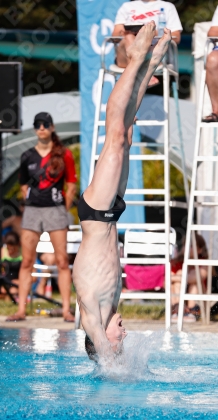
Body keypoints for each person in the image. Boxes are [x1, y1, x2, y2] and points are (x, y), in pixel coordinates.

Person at [72, 22, 172, 360]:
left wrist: (107, 354)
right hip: (111, 213)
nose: (124, 331)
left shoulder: (91, 319)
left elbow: (101, 351)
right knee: (126, 135)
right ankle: (149, 64)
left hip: (96, 213)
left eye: (120, 338)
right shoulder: (112, 304)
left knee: (114, 136)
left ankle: (134, 60)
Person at [6, 112, 77, 322]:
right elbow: (23, 184)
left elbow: (71, 184)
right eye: (38, 124)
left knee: (62, 261)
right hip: (33, 210)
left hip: (55, 209)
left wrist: (63, 207)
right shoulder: (27, 156)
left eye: (46, 124)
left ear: (52, 127)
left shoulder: (63, 154)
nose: (42, 127)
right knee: (27, 260)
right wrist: (31, 201)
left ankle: (66, 310)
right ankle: (21, 310)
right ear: (35, 129)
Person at [112, 0, 182, 86]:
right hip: (125, 55)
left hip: (153, 55)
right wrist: (130, 33)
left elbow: (176, 37)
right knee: (129, 37)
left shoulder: (167, 6)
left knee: (144, 36)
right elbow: (115, 36)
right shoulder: (126, 6)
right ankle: (141, 75)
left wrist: (156, 34)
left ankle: (137, 74)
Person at [170, 234, 209, 323]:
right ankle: (179, 309)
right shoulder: (177, 262)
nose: (186, 248)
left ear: (199, 250)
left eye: (191, 246)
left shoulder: (203, 262)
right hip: (179, 294)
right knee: (179, 276)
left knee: (194, 282)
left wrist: (176, 277)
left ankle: (191, 311)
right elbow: (166, 281)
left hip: (198, 293)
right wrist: (181, 277)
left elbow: (197, 278)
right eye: (185, 245)